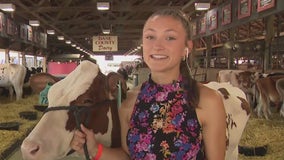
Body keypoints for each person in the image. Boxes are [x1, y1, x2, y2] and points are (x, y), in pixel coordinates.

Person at [70, 8, 226, 160]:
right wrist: (94, 149)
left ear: (187, 47)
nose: (157, 46)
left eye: (170, 37)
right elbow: (128, 156)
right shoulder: (129, 102)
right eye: (150, 37)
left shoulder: (207, 100)